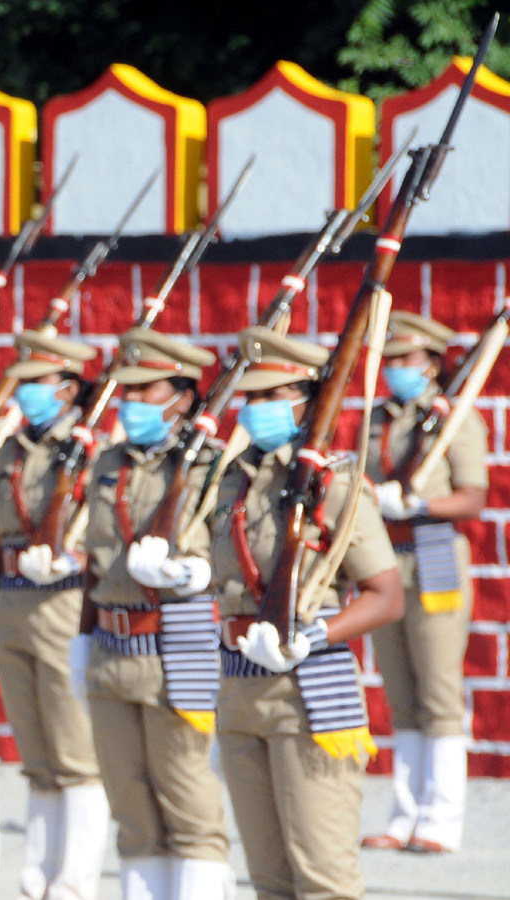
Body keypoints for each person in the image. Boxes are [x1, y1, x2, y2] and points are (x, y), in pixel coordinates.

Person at [207, 326, 404, 900]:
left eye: (274, 396)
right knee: (269, 881)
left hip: (308, 694)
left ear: (308, 401)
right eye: (253, 395)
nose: (257, 407)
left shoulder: (334, 483)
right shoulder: (233, 482)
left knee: (322, 879)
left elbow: (385, 593)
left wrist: (314, 635)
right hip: (240, 690)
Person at [76, 327, 235, 899]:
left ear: (185, 398)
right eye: (130, 390)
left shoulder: (213, 465)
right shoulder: (110, 462)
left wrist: (197, 573)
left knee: (187, 797)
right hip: (112, 650)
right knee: (132, 804)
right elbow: (95, 563)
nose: (134, 401)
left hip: (175, 650)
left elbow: (235, 550)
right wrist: (82, 639)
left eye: (150, 390)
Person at [0, 329, 108, 899]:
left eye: (37, 384)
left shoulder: (94, 454)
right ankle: (39, 866)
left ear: (67, 389)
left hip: (64, 602)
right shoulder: (11, 449)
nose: (25, 395)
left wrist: (71, 559)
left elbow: (109, 541)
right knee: (34, 745)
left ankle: (76, 875)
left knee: (73, 748)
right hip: (11, 600)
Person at [362, 311, 486, 854]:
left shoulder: (456, 419)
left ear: (432, 364)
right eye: (390, 361)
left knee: (436, 688)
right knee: (401, 691)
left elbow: (474, 496)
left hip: (434, 551)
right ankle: (404, 814)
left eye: (405, 360)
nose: (395, 370)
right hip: (389, 556)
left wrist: (421, 504)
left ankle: (441, 818)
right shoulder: (378, 418)